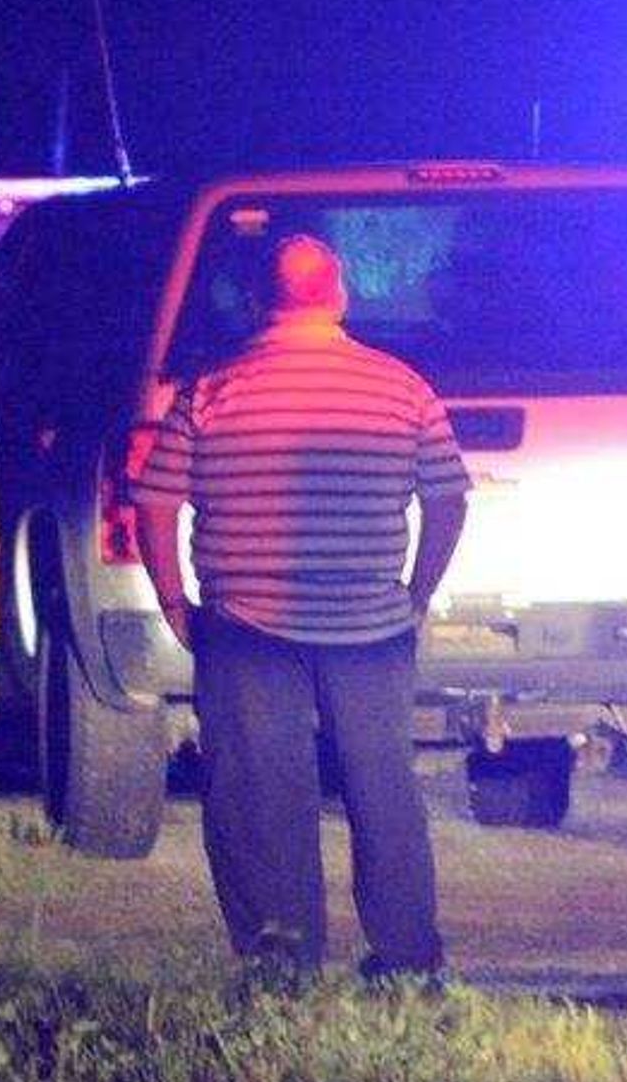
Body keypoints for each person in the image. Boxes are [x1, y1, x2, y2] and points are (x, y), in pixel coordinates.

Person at [131, 233, 469, 980]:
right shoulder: (402, 387)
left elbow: (154, 504)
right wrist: (416, 591)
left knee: (259, 797)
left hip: (246, 624)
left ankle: (283, 960)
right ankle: (409, 956)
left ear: (259, 300)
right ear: (338, 293)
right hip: (371, 626)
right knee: (385, 792)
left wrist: (173, 599)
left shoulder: (213, 390)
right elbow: (447, 498)